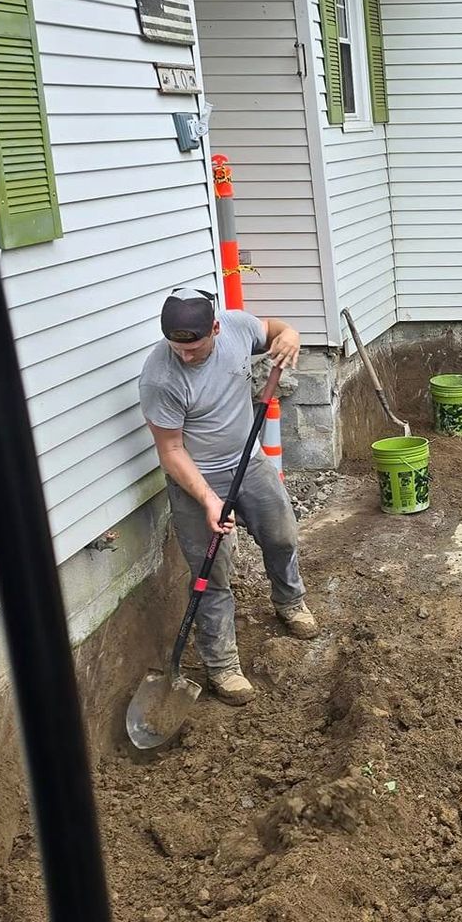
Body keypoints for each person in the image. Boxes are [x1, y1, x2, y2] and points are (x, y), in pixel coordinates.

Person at [138, 288, 319, 704]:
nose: (184, 356)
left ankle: (290, 601)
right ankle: (222, 666)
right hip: (194, 480)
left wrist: (289, 333)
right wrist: (207, 499)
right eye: (176, 348)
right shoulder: (160, 377)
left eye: (194, 347)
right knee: (211, 573)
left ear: (215, 329)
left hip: (249, 464)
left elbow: (273, 328)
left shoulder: (236, 327)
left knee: (282, 536)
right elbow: (170, 451)